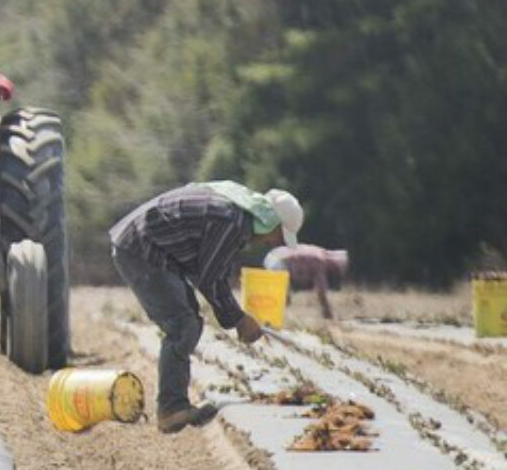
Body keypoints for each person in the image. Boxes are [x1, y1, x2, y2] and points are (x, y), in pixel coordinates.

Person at [109, 181, 303, 434]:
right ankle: (171, 409)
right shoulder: (230, 221)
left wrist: (235, 317)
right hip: (141, 249)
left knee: (190, 320)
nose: (272, 242)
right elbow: (209, 278)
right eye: (277, 235)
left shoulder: (234, 209)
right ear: (270, 222)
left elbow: (214, 270)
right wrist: (239, 319)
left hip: (151, 248)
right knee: (183, 325)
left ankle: (175, 404)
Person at [264, 244, 348, 320]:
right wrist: (327, 312)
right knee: (283, 299)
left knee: (284, 299)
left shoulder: (320, 253)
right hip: (277, 261)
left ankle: (275, 318)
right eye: (336, 269)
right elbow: (321, 291)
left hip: (275, 254)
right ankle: (272, 319)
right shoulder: (320, 261)